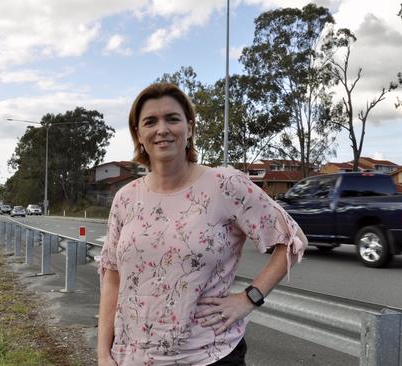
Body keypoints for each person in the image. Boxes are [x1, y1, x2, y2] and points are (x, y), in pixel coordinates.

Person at [97, 83, 307, 366]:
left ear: (190, 128)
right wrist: (103, 354)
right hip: (131, 357)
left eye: (172, 118)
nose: (162, 129)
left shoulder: (225, 184)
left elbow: (292, 241)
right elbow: (112, 279)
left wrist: (249, 298)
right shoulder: (125, 198)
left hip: (208, 355)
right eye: (150, 121)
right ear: (139, 134)